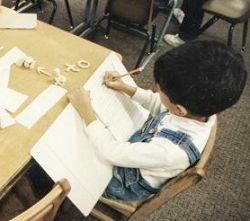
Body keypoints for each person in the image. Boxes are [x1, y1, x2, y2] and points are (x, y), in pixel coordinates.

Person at [68, 41, 247, 201]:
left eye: (160, 90)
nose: (157, 91)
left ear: (179, 110)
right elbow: (158, 104)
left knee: (66, 142)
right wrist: (125, 88)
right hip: (138, 151)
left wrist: (86, 110)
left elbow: (111, 152)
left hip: (121, 182)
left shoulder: (170, 151)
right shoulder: (201, 111)